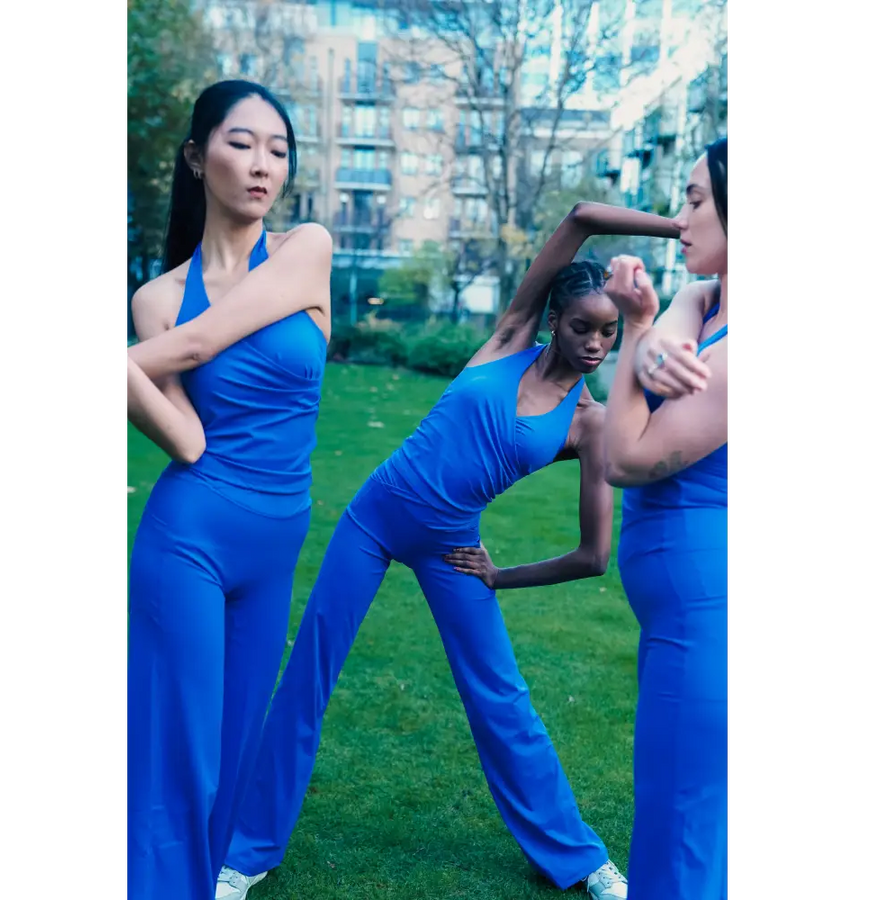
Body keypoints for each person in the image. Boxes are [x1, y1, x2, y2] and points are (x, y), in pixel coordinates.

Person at [216, 201, 681, 900]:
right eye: (582, 326)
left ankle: (580, 859)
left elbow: (593, 556)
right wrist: (684, 227)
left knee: (502, 699)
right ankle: (246, 854)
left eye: (609, 333)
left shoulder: (589, 424)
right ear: (553, 319)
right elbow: (582, 217)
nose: (594, 343)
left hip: (453, 548)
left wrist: (501, 574)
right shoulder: (508, 335)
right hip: (372, 518)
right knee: (308, 676)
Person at [124, 79, 333, 900]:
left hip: (275, 545)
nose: (262, 166)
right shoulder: (156, 300)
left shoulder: (304, 249)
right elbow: (188, 438)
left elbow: (206, 341)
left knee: (236, 749)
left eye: (278, 151)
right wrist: (147, 362)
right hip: (190, 538)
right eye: (241, 143)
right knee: (179, 750)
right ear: (196, 156)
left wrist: (139, 364)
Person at [602, 136, 730, 900]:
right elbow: (687, 305)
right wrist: (661, 327)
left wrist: (634, 337)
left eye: (694, 199)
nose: (675, 217)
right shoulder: (708, 300)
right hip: (684, 605)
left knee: (682, 827)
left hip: (707, 603)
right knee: (680, 810)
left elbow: (625, 455)